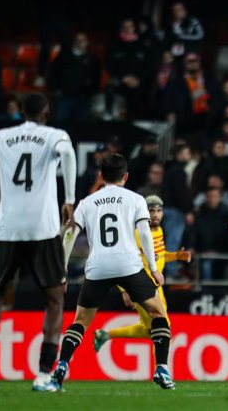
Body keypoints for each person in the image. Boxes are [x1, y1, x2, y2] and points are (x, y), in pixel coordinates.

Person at [0, 93, 77, 392]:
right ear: (46, 112)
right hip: (42, 231)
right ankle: (44, 374)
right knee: (55, 299)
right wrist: (70, 199)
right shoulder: (54, 135)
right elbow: (69, 155)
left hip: (7, 229)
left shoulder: (0, 138)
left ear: (21, 111)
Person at [51, 154, 175, 391]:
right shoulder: (136, 199)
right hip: (129, 266)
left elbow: (69, 235)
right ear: (125, 177)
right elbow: (146, 235)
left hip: (97, 267)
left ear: (101, 176)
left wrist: (62, 271)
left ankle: (62, 365)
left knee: (81, 321)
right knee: (158, 313)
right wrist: (153, 268)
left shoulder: (87, 202)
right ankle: (162, 368)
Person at [93, 195, 191, 358]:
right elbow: (122, 259)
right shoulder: (137, 233)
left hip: (156, 287)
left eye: (159, 211)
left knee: (150, 330)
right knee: (162, 327)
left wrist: (176, 256)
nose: (155, 215)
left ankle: (105, 335)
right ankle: (161, 371)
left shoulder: (158, 231)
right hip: (141, 287)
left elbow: (156, 256)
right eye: (151, 211)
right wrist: (124, 289)